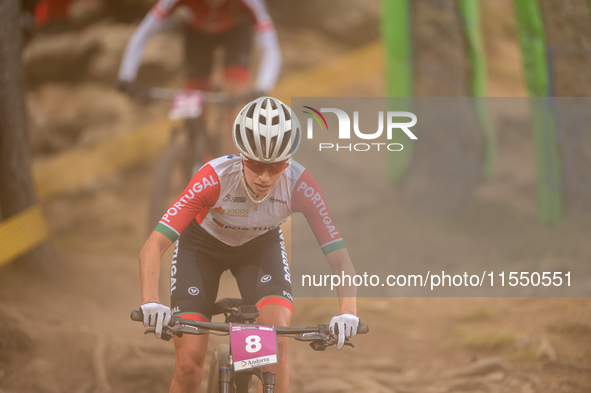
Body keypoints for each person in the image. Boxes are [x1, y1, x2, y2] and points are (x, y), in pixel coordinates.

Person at [138, 97, 359, 393]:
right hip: (202, 247)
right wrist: (152, 301)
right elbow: (153, 246)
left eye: (277, 165)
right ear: (242, 156)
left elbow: (340, 259)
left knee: (275, 350)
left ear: (289, 160)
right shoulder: (214, 179)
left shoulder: (300, 184)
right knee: (189, 366)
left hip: (259, 247)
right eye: (256, 165)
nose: (266, 177)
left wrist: (348, 312)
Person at [117, 0, 281, 97]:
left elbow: (271, 49)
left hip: (235, 35)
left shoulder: (251, 2)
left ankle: (235, 152)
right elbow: (143, 33)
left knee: (234, 97)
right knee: (193, 99)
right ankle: (198, 147)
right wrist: (126, 75)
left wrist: (263, 86)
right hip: (198, 36)